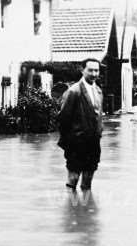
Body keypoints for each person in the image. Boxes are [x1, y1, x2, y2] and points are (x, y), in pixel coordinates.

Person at [57, 58, 103, 192]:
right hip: (76, 144)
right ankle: (71, 209)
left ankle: (85, 210)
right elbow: (63, 119)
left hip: (93, 143)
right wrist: (69, 143)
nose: (94, 74)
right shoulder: (74, 91)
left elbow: (98, 116)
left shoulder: (98, 91)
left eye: (96, 70)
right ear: (82, 70)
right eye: (90, 70)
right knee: (73, 179)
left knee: (88, 182)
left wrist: (99, 133)